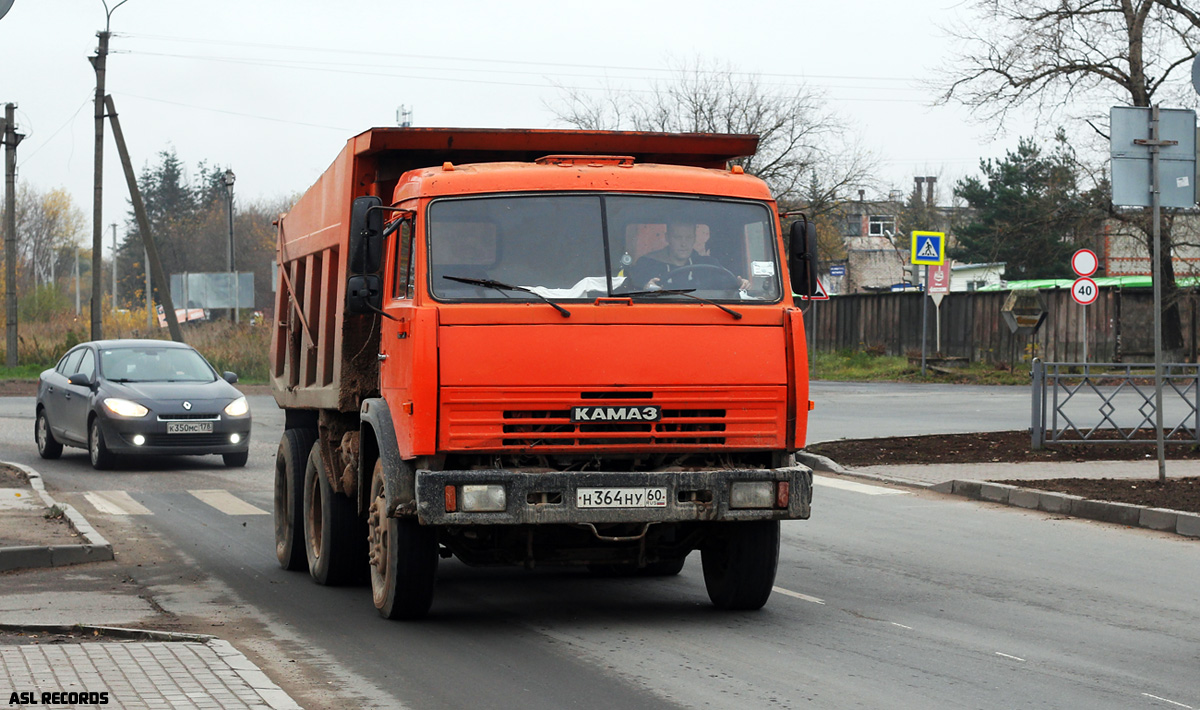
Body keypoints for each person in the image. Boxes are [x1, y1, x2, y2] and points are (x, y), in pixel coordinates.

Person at [627, 220, 750, 291]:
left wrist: (740, 284)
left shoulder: (709, 265)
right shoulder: (647, 264)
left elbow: (727, 286)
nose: (684, 243)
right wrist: (645, 288)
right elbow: (631, 291)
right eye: (678, 237)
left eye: (688, 237)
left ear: (694, 239)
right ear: (667, 238)